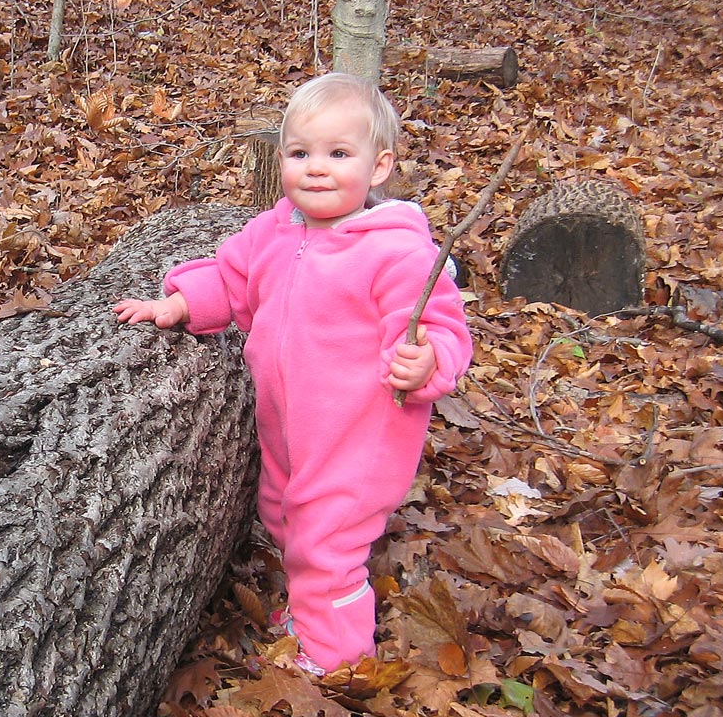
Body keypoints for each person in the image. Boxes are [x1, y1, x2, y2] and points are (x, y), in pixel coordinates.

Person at [114, 72, 472, 674]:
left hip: (360, 434)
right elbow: (231, 278)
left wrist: (428, 359)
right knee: (281, 515)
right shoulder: (277, 230)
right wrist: (179, 304)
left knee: (325, 544)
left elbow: (438, 323)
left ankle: (336, 661)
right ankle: (310, 610)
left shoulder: (396, 252)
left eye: (338, 154)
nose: (316, 169)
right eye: (301, 153)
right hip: (287, 427)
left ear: (379, 167)